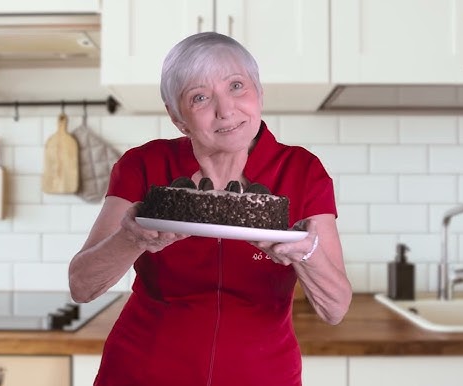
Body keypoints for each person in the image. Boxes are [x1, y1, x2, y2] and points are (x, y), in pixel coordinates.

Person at [68, 31, 352, 386]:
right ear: (177, 117)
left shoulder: (301, 170)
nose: (225, 110)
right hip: (142, 371)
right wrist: (131, 237)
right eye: (200, 97)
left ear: (258, 91)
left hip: (262, 375)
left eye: (236, 86)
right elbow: (82, 286)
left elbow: (335, 309)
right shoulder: (143, 165)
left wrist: (305, 252)